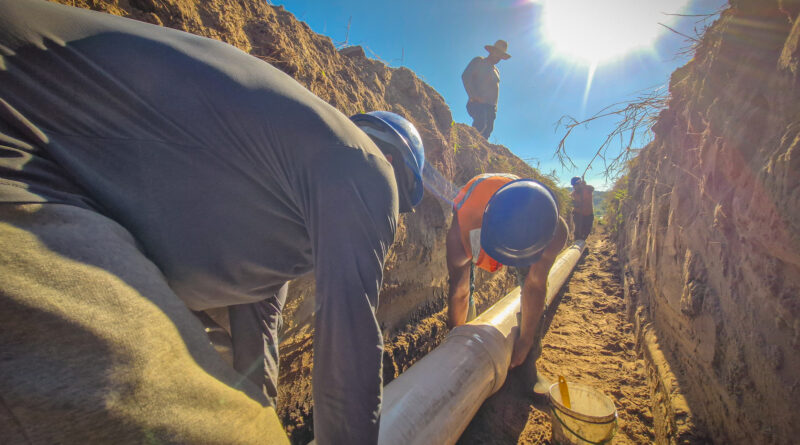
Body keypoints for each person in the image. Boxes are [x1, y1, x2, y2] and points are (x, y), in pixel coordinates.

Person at [0, 1, 425, 444]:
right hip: (23, 146)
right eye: (399, 211)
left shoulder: (270, 212)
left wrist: (265, 417)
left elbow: (256, 348)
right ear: (393, 163)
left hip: (55, 169)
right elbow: (351, 350)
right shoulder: (367, 166)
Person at [445, 173, 568, 374]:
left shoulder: (552, 231)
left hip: (514, 217)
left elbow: (535, 285)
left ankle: (528, 365)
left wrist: (527, 341)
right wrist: (455, 339)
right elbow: (459, 291)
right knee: (465, 282)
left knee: (530, 282)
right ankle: (466, 327)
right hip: (479, 219)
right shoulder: (464, 232)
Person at [461, 40, 511, 139]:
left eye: (500, 56)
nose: (498, 58)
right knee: (480, 125)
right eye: (497, 53)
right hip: (477, 101)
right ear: (491, 51)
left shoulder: (497, 70)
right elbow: (466, 76)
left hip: (491, 108)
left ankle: (477, 151)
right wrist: (473, 96)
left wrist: (495, 108)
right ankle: (467, 144)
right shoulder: (479, 61)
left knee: (487, 131)